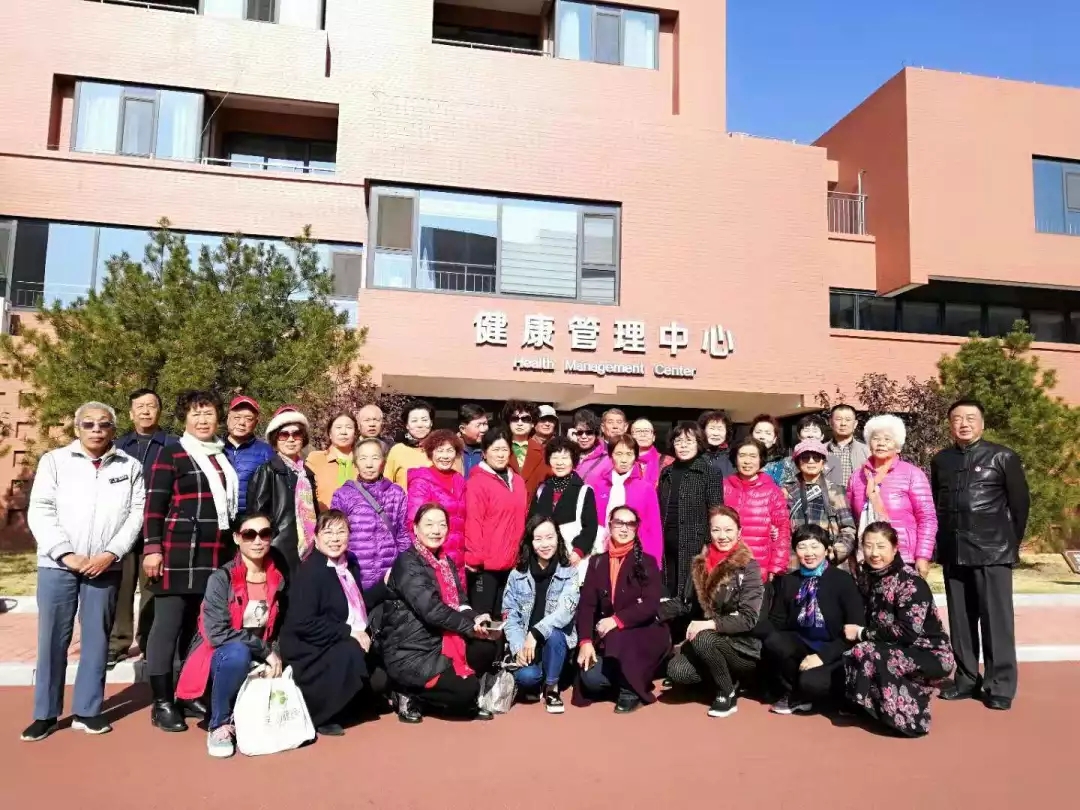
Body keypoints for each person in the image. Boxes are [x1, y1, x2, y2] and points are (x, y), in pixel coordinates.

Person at [21, 403, 145, 742]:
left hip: (105, 565)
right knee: (52, 639)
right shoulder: (54, 461)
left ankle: (88, 711)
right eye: (88, 424)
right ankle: (45, 714)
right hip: (57, 564)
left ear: (113, 430)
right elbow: (41, 509)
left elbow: (135, 514)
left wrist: (111, 553)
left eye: (104, 424)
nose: (96, 430)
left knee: (97, 639)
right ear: (77, 428)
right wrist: (66, 554)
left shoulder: (130, 466)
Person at [143, 390, 240, 732]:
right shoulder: (172, 453)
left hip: (215, 554)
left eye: (208, 413)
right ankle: (162, 702)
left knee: (196, 630)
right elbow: (154, 506)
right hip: (177, 553)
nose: (202, 420)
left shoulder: (221, 455)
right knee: (167, 628)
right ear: (184, 418)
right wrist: (152, 548)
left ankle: (187, 693)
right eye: (196, 414)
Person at [931, 399, 1029, 711]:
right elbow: (936, 502)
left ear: (982, 424)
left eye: (971, 418)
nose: (964, 424)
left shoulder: (1002, 456)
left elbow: (1020, 506)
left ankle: (1000, 685)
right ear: (950, 424)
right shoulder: (941, 460)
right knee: (960, 622)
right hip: (954, 551)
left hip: (992, 552)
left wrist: (1008, 544)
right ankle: (966, 679)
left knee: (997, 622)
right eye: (957, 418)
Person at [174, 512, 286, 758]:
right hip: (219, 657)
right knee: (237, 653)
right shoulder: (220, 579)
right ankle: (219, 725)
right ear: (237, 538)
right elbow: (217, 633)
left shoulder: (277, 578)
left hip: (260, 655)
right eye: (249, 534)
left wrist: (275, 655)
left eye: (265, 534)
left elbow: (278, 628)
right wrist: (266, 651)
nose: (258, 541)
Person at [381, 504, 499, 723]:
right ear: (415, 528)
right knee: (466, 691)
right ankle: (407, 692)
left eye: (442, 525)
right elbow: (432, 610)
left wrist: (476, 618)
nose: (436, 530)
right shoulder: (407, 562)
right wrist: (469, 627)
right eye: (429, 524)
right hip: (412, 649)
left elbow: (460, 602)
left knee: (486, 647)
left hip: (440, 640)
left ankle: (449, 690)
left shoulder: (445, 562)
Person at [278, 510, 389, 736]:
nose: (335, 539)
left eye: (341, 532)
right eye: (328, 533)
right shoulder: (310, 572)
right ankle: (320, 713)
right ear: (316, 538)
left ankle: (347, 701)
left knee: (380, 679)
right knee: (352, 652)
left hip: (336, 639)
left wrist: (384, 586)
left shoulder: (349, 565)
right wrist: (349, 632)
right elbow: (303, 623)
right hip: (309, 647)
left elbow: (355, 604)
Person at [842, 522, 955, 737]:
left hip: (928, 652)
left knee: (868, 652)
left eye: (881, 546)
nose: (874, 553)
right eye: (868, 546)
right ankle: (873, 707)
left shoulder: (910, 582)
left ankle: (910, 719)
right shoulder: (866, 576)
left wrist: (861, 633)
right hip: (889, 645)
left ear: (895, 548)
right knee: (855, 652)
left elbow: (907, 632)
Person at [665, 506, 764, 718]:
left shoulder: (749, 567)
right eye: (716, 530)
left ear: (739, 532)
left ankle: (726, 693)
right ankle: (724, 678)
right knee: (676, 671)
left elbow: (748, 618)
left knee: (704, 638)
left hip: (741, 647)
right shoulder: (699, 563)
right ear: (709, 532)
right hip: (708, 642)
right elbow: (685, 603)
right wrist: (651, 613)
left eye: (728, 530)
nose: (722, 536)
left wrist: (709, 624)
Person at [574, 505, 670, 713]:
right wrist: (585, 641)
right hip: (610, 638)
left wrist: (616, 620)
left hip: (644, 632)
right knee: (590, 679)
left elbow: (650, 604)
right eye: (619, 523)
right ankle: (629, 677)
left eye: (630, 524)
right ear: (610, 526)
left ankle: (630, 689)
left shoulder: (647, 561)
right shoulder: (597, 562)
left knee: (618, 637)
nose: (624, 528)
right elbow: (587, 606)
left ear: (636, 529)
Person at [760, 524, 864, 715]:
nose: (809, 553)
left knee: (812, 683)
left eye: (815, 546)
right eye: (802, 547)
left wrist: (822, 656)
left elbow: (854, 630)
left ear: (827, 549)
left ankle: (831, 694)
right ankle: (795, 693)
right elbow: (777, 622)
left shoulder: (842, 580)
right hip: (803, 645)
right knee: (774, 641)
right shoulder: (789, 581)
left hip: (835, 649)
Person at [109, 388, 178, 667]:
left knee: (152, 590)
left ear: (159, 411)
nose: (146, 411)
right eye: (140, 406)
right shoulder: (118, 447)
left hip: (158, 529)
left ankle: (150, 642)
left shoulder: (173, 445)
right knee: (122, 588)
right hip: (124, 529)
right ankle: (118, 643)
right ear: (131, 413)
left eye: (151, 405)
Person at [503, 516, 580, 713]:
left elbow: (565, 611)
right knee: (527, 677)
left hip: (555, 643)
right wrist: (518, 647)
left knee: (555, 634)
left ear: (558, 538)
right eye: (538, 539)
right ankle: (537, 679)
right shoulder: (517, 574)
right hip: (527, 644)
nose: (545, 544)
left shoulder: (569, 572)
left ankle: (552, 687)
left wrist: (536, 632)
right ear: (530, 542)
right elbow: (510, 614)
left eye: (549, 537)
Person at [848, 414, 936, 578]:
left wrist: (923, 556)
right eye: (876, 438)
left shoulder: (912, 474)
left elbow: (927, 518)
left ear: (898, 446)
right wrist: (851, 556)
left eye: (887, 439)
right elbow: (851, 520)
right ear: (869, 444)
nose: (881, 443)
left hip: (904, 557)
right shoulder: (857, 477)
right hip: (866, 557)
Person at [464, 428, 528, 625]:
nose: (500, 454)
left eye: (504, 449)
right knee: (484, 621)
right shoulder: (477, 482)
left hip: (512, 563)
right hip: (486, 566)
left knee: (506, 620)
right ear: (484, 452)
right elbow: (473, 520)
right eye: (495, 449)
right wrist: (474, 558)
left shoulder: (517, 481)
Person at [246, 406, 319, 574]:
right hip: (278, 548)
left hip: (307, 546)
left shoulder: (307, 474)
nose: (291, 439)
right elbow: (257, 514)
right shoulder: (268, 470)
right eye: (284, 434)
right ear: (275, 439)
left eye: (296, 434)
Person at [331, 438, 410, 589]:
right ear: (355, 463)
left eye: (375, 458)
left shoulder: (396, 493)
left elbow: (403, 535)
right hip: (356, 576)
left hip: (390, 576)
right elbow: (336, 536)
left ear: (383, 462)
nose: (369, 464)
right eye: (363, 458)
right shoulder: (343, 495)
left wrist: (403, 569)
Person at [658, 421, 724, 600]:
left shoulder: (710, 472)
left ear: (699, 443)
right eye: (678, 441)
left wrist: (708, 543)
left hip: (694, 543)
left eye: (689, 441)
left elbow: (716, 511)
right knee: (668, 590)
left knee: (691, 593)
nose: (683, 445)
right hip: (667, 542)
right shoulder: (666, 472)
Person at [723, 438, 791, 581]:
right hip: (726, 566)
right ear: (735, 459)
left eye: (753, 456)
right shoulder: (723, 487)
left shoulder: (772, 491)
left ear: (761, 459)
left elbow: (783, 529)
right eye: (742, 456)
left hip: (759, 568)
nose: (747, 461)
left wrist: (777, 565)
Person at [782, 439, 857, 566]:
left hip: (829, 560)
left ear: (823, 463)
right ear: (798, 463)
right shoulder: (786, 491)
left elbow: (848, 528)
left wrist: (836, 552)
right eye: (805, 457)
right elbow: (781, 530)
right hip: (795, 560)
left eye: (816, 458)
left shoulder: (835, 490)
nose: (811, 461)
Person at [592, 435, 662, 565]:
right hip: (602, 552)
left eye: (629, 454)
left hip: (635, 554)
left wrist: (655, 564)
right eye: (619, 454)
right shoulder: (599, 486)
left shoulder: (645, 488)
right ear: (610, 456)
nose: (624, 460)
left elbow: (654, 529)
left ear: (635, 457)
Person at [529, 436, 599, 566]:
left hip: (572, 558)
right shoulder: (541, 489)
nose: (559, 463)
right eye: (555, 457)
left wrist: (578, 551)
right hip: (543, 557)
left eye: (565, 458)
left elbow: (590, 527)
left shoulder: (584, 491)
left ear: (573, 461)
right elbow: (531, 522)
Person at [406, 430, 467, 568]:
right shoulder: (421, 482)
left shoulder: (460, 481)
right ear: (431, 453)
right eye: (440, 450)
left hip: (459, 559)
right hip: (433, 558)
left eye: (449, 451)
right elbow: (413, 522)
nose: (445, 456)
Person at [222, 395, 274, 515]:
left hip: (250, 519)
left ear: (255, 423)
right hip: (217, 517)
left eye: (248, 419)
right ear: (228, 418)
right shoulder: (215, 448)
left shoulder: (266, 451)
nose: (241, 423)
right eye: (237, 417)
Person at [306, 411, 359, 511]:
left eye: (349, 427)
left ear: (355, 433)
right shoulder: (316, 459)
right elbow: (306, 495)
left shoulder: (362, 462)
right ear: (330, 434)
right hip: (324, 519)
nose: (343, 432)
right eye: (338, 427)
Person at [503, 399, 550, 504]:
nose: (520, 423)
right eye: (515, 419)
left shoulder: (544, 453)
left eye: (525, 419)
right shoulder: (496, 450)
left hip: (533, 510)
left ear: (533, 423)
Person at [384, 400, 435, 490]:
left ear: (431, 423)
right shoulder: (397, 450)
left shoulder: (440, 449)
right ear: (407, 425)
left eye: (424, 420)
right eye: (414, 421)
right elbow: (386, 484)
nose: (420, 425)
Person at [771, 415, 828, 487]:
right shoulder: (787, 463)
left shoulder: (833, 460)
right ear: (798, 435)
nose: (810, 435)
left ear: (822, 436)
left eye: (815, 431)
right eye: (806, 430)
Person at [826, 404, 869, 491]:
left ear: (855, 424)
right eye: (838, 419)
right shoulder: (821, 451)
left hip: (857, 498)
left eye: (848, 420)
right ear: (830, 422)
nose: (843, 424)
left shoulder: (867, 451)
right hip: (828, 498)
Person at [573, 408, 609, 488]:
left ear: (596, 434)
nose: (584, 436)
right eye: (579, 432)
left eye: (589, 432)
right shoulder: (567, 455)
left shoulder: (606, 460)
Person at [698, 410, 736, 479]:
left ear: (726, 433)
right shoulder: (695, 455)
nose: (716, 433)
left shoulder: (733, 457)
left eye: (720, 429)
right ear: (703, 431)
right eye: (712, 428)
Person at [750, 414, 787, 485]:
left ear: (774, 439)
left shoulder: (783, 465)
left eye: (768, 433)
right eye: (758, 432)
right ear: (751, 435)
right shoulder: (740, 460)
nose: (762, 437)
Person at [456, 403, 488, 478]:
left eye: (485, 424)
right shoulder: (452, 448)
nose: (483, 429)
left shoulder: (489, 449)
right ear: (463, 429)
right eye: (478, 425)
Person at [630, 418, 662, 487]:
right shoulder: (623, 460)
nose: (643, 434)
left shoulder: (667, 462)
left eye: (646, 431)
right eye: (638, 431)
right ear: (631, 436)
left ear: (653, 437)